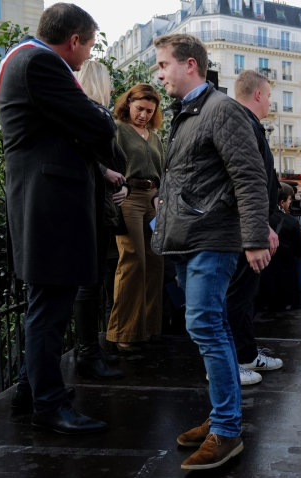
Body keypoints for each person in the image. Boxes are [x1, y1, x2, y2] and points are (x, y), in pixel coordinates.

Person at [151, 34, 270, 470]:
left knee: (205, 325)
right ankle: (222, 415)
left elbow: (249, 175)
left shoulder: (222, 110)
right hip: (188, 237)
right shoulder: (188, 114)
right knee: (210, 326)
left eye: (164, 65)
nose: (159, 74)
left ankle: (226, 430)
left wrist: (255, 237)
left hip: (211, 238)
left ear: (190, 65)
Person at [0, 3, 115, 433]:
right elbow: (101, 127)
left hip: (41, 200)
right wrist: (97, 114)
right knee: (50, 309)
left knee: (43, 306)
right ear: (73, 41)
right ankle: (48, 404)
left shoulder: (24, 58)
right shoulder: (41, 64)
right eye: (86, 48)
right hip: (51, 203)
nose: (86, 58)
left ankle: (31, 390)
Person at [72, 59, 128, 379]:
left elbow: (114, 163)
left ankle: (92, 350)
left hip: (101, 203)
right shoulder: (93, 115)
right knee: (90, 282)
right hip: (93, 204)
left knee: (95, 281)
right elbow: (101, 160)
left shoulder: (92, 115)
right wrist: (113, 178)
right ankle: (88, 352)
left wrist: (122, 186)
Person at [226, 70, 281, 386]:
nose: (271, 101)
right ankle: (230, 363)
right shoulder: (243, 126)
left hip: (250, 227)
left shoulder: (248, 126)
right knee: (236, 296)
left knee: (246, 296)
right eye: (270, 95)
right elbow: (245, 182)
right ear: (258, 94)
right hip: (244, 229)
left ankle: (245, 355)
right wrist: (261, 226)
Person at [106, 84, 165, 352]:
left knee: (156, 262)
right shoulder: (117, 128)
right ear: (128, 103)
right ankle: (124, 333)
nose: (144, 115)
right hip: (128, 197)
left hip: (152, 199)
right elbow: (107, 162)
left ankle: (149, 328)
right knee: (134, 261)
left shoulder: (154, 137)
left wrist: (159, 194)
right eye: (140, 108)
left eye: (149, 111)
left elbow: (162, 172)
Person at [258, 183, 301, 311]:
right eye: (289, 199)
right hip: (284, 278)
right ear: (282, 202)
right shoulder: (291, 221)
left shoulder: (260, 219)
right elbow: (299, 250)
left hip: (261, 278)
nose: (291, 203)